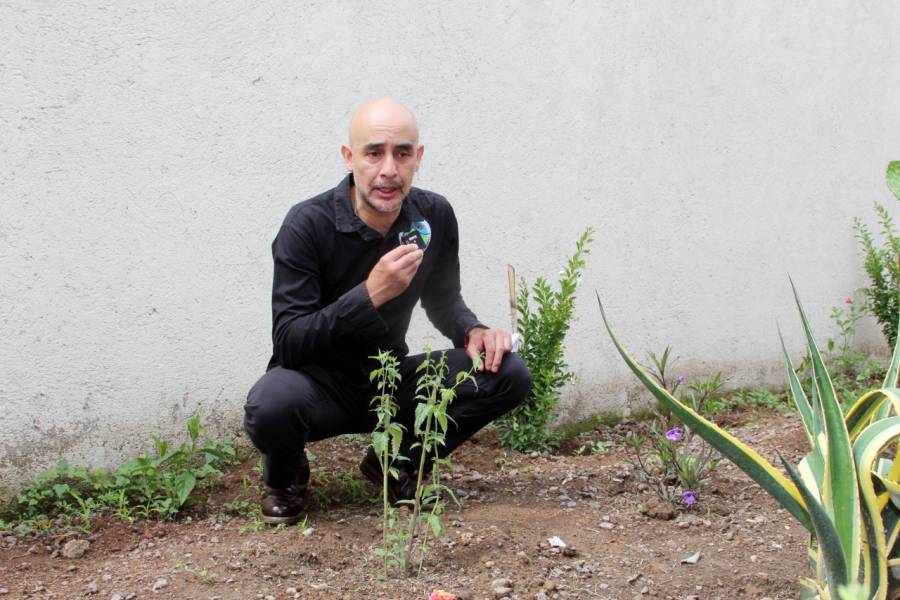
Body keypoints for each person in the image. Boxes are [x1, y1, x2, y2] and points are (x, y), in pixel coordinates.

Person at [243, 98, 531, 525]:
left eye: (402, 154)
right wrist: (369, 294)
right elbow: (289, 342)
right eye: (374, 152)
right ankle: (285, 478)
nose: (388, 170)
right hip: (316, 387)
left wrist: (472, 330)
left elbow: (444, 298)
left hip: (388, 379)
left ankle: (397, 464)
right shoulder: (306, 225)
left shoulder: (434, 215)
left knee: (508, 372)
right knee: (271, 402)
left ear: (418, 158)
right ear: (349, 158)